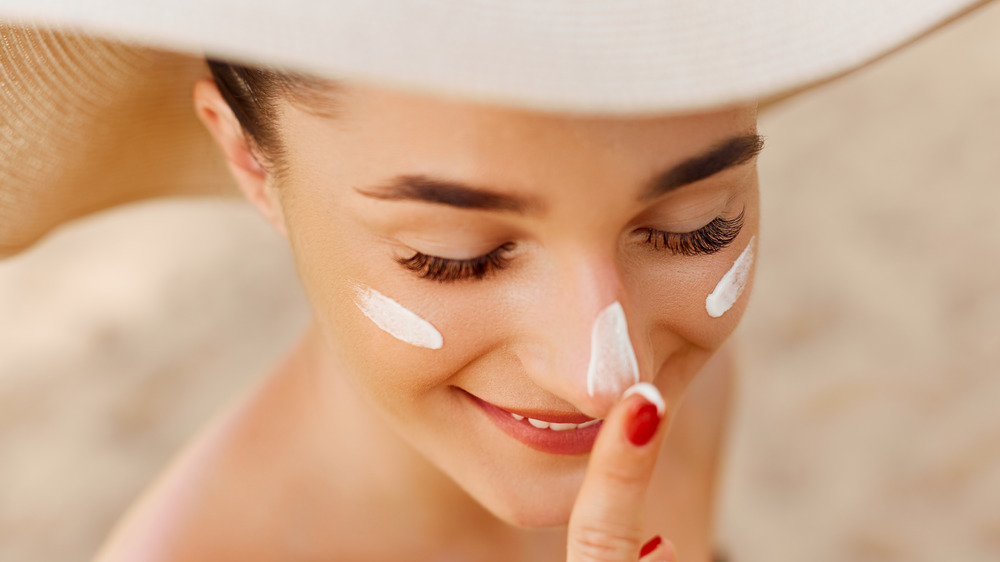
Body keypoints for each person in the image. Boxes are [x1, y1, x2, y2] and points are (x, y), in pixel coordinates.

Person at [0, 2, 989, 561]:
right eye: (456, 253)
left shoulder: (677, 390)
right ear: (251, 159)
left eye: (694, 229)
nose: (604, 376)